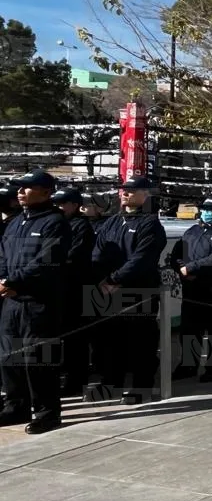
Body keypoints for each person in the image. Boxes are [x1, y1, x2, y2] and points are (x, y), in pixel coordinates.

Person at [0, 169, 72, 434]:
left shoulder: (55, 222)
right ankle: (16, 406)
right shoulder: (16, 222)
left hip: (40, 303)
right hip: (12, 302)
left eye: (27, 187)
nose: (20, 191)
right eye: (19, 188)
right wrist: (4, 280)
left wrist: (13, 282)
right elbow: (3, 256)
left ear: (46, 192)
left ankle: (47, 412)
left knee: (38, 360)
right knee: (9, 357)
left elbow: (46, 262)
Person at [89, 174, 167, 403]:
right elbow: (98, 252)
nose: (125, 193)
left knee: (140, 342)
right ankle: (110, 382)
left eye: (131, 190)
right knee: (108, 341)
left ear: (146, 195)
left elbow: (142, 259)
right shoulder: (113, 221)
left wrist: (114, 279)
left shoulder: (150, 224)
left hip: (137, 291)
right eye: (123, 189)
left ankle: (142, 387)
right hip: (108, 292)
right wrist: (101, 279)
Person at [169, 195, 212, 383]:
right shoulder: (192, 231)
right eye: (205, 209)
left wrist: (191, 268)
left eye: (211, 210)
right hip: (192, 288)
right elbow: (176, 253)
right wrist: (182, 268)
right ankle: (188, 365)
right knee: (190, 329)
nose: (206, 213)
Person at [50, 186, 96, 396]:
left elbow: (71, 256)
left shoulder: (81, 227)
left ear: (75, 205)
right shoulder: (54, 224)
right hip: (57, 288)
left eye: (62, 203)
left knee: (75, 338)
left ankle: (76, 380)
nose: (58, 207)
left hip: (75, 287)